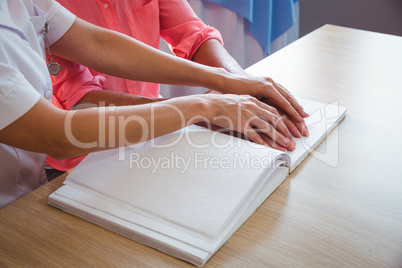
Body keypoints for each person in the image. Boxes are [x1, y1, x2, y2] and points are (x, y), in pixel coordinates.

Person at [0, 0, 308, 208]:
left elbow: (98, 43)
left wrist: (232, 82)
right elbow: (59, 133)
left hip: (29, 188)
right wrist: (201, 108)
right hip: (71, 169)